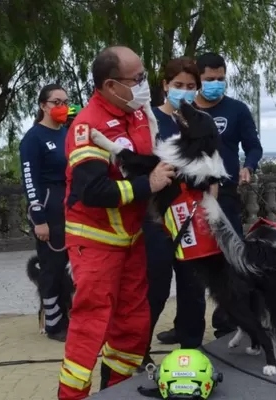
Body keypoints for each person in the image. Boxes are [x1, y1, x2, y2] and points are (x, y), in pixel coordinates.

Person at [57, 46, 176, 400]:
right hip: (94, 239)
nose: (144, 85)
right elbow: (93, 190)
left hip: (132, 237)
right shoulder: (87, 124)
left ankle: (116, 391)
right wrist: (147, 185)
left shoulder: (139, 114)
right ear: (111, 85)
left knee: (133, 324)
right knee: (91, 324)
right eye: (137, 79)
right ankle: (72, 396)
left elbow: (148, 160)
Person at [156, 52, 264, 343]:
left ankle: (227, 322)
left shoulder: (237, 110)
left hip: (222, 195)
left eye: (221, 79)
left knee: (226, 261)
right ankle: (184, 326)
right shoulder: (182, 116)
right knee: (185, 268)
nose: (216, 84)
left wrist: (248, 166)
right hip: (180, 201)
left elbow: (254, 147)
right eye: (209, 80)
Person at [142, 57, 207, 365]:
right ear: (165, 86)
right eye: (178, 85)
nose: (184, 91)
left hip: (192, 217)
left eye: (191, 87)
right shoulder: (149, 120)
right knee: (154, 289)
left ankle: (192, 350)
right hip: (156, 219)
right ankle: (137, 352)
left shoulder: (198, 122)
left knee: (193, 287)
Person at [19, 83, 71, 342]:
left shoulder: (68, 133)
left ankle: (69, 314)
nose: (62, 107)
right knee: (52, 266)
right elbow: (30, 181)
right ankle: (53, 323)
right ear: (43, 106)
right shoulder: (33, 139)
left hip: (71, 205)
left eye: (65, 102)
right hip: (49, 207)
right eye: (56, 102)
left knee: (71, 267)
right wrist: (39, 219)